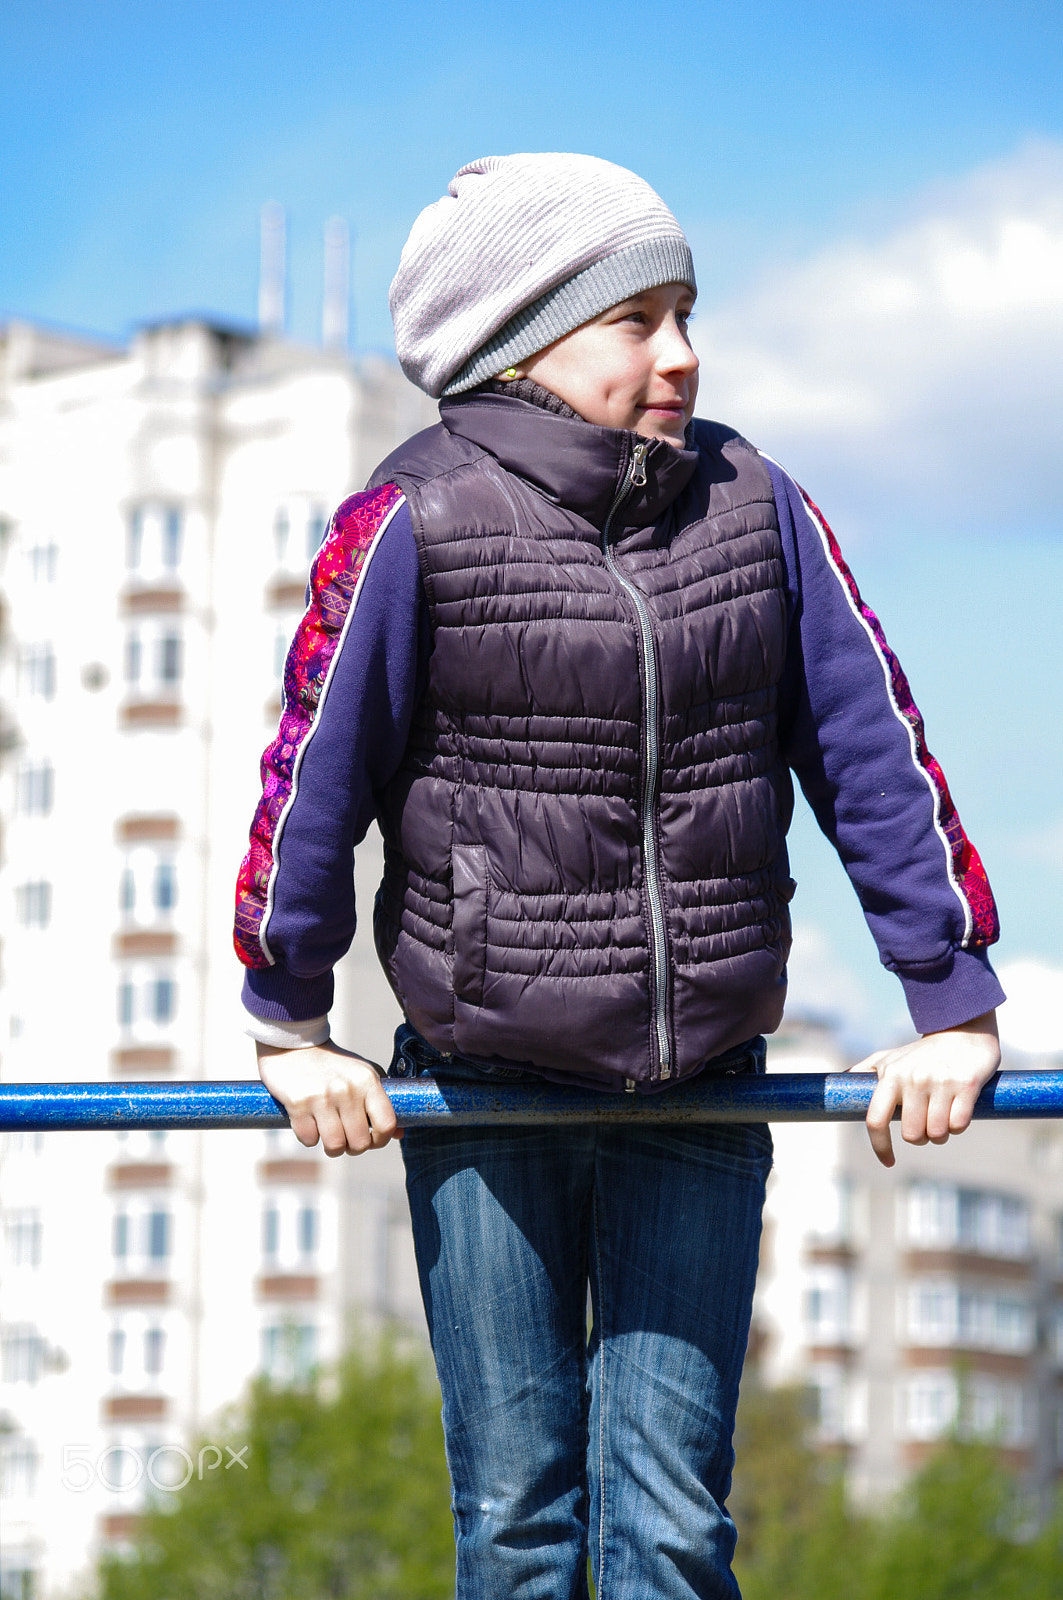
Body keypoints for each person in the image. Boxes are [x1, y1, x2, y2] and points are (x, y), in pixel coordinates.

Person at [234, 153, 1004, 1599]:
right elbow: (309, 777)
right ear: (523, 341)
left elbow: (875, 752)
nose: (684, 353)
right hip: (487, 1086)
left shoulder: (754, 507)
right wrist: (291, 1028)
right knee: (519, 1525)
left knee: (672, 1530)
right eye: (637, 319)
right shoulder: (417, 520)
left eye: (689, 312)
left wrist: (949, 997)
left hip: (700, 1084)